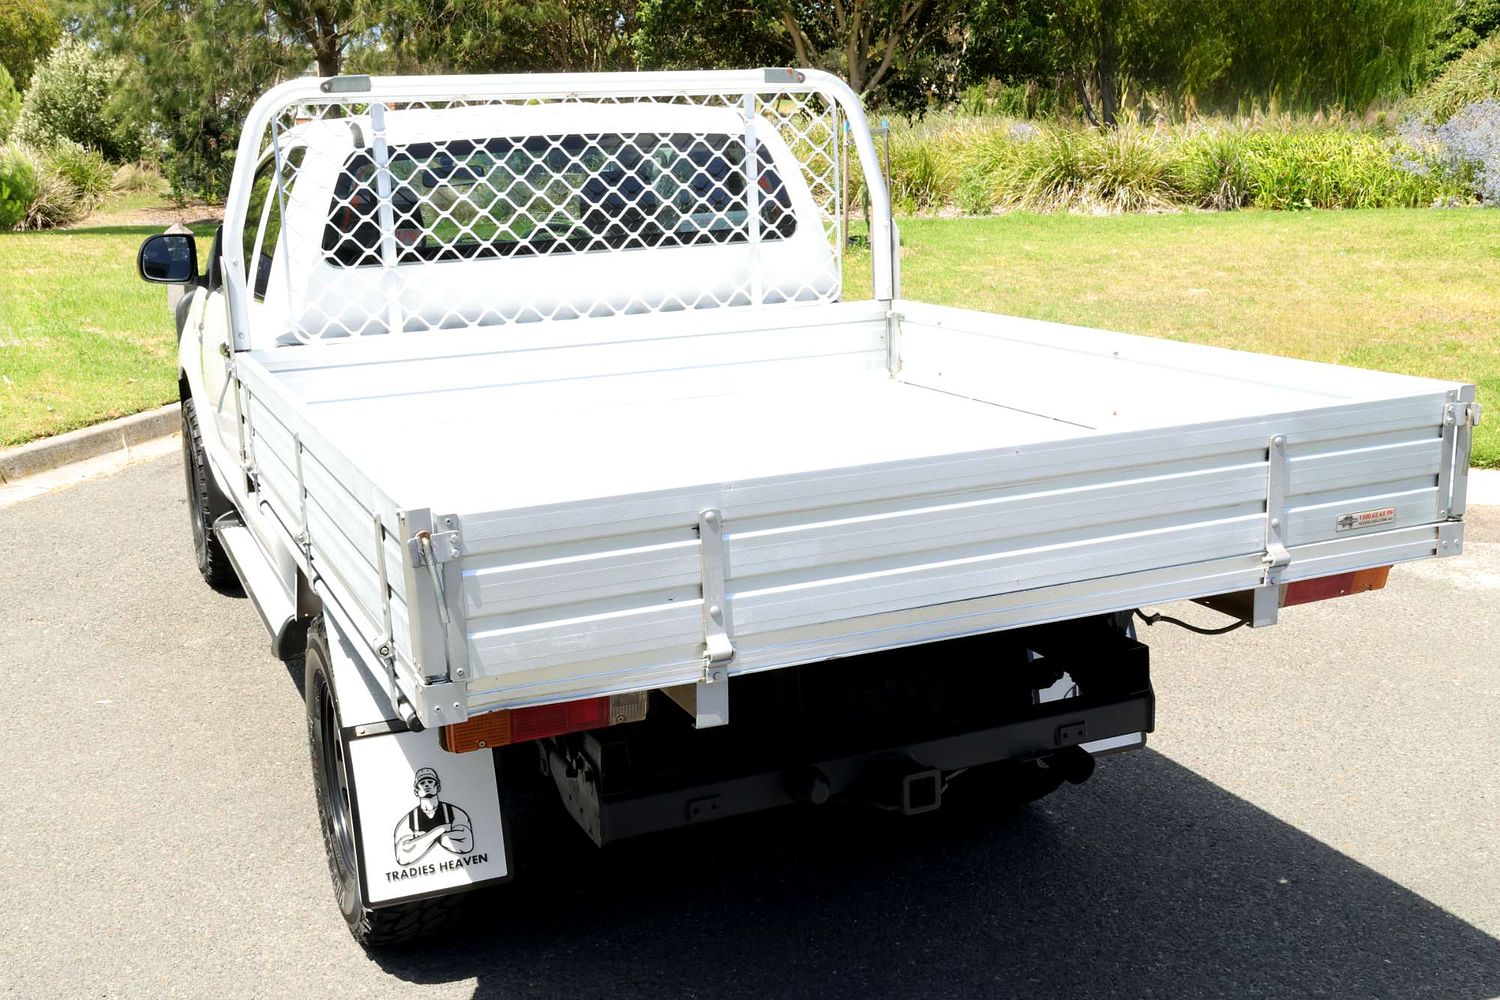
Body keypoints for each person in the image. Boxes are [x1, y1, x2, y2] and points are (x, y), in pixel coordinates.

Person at [393, 767, 473, 866]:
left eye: (430, 781)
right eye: (422, 783)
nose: (426, 785)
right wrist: (443, 829)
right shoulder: (408, 821)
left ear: (438, 787)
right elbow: (402, 857)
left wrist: (421, 839)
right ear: (416, 791)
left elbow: (466, 845)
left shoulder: (455, 813)